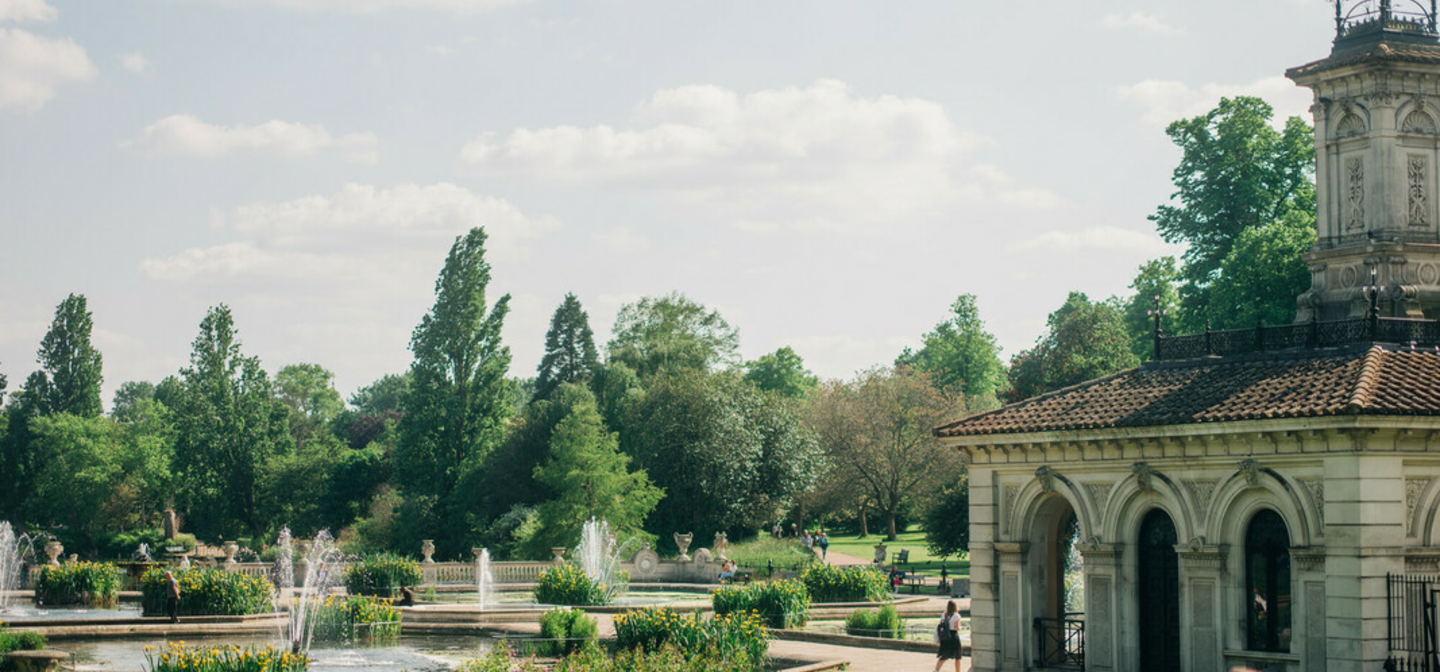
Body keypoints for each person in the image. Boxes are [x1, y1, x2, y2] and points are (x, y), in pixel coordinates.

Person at [932, 599, 962, 672]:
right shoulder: (956, 616)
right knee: (957, 656)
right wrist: (961, 627)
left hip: (945, 636)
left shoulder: (944, 614)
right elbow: (957, 628)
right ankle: (958, 671)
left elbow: (941, 624)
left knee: (944, 655)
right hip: (953, 636)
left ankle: (936, 670)